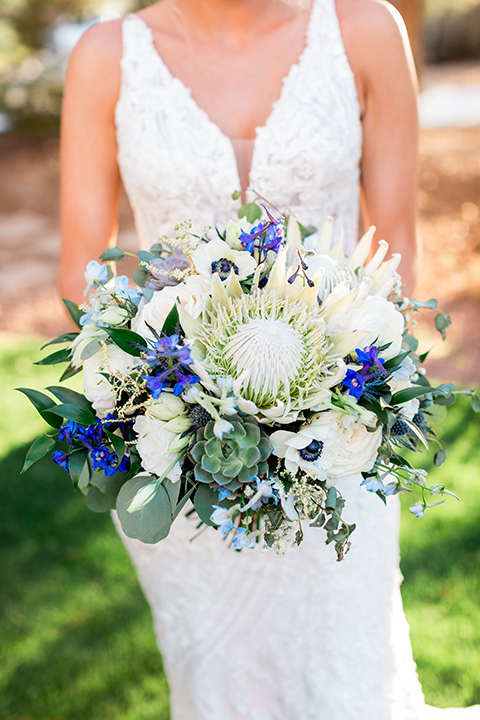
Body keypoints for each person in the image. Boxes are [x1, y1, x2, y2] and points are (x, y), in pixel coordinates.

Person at [58, 1, 480, 718]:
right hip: (181, 451)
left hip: (339, 442)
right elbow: (82, 273)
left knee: (350, 682)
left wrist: (337, 382)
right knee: (220, 688)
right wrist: (167, 397)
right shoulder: (106, 55)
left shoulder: (366, 30)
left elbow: (397, 246)